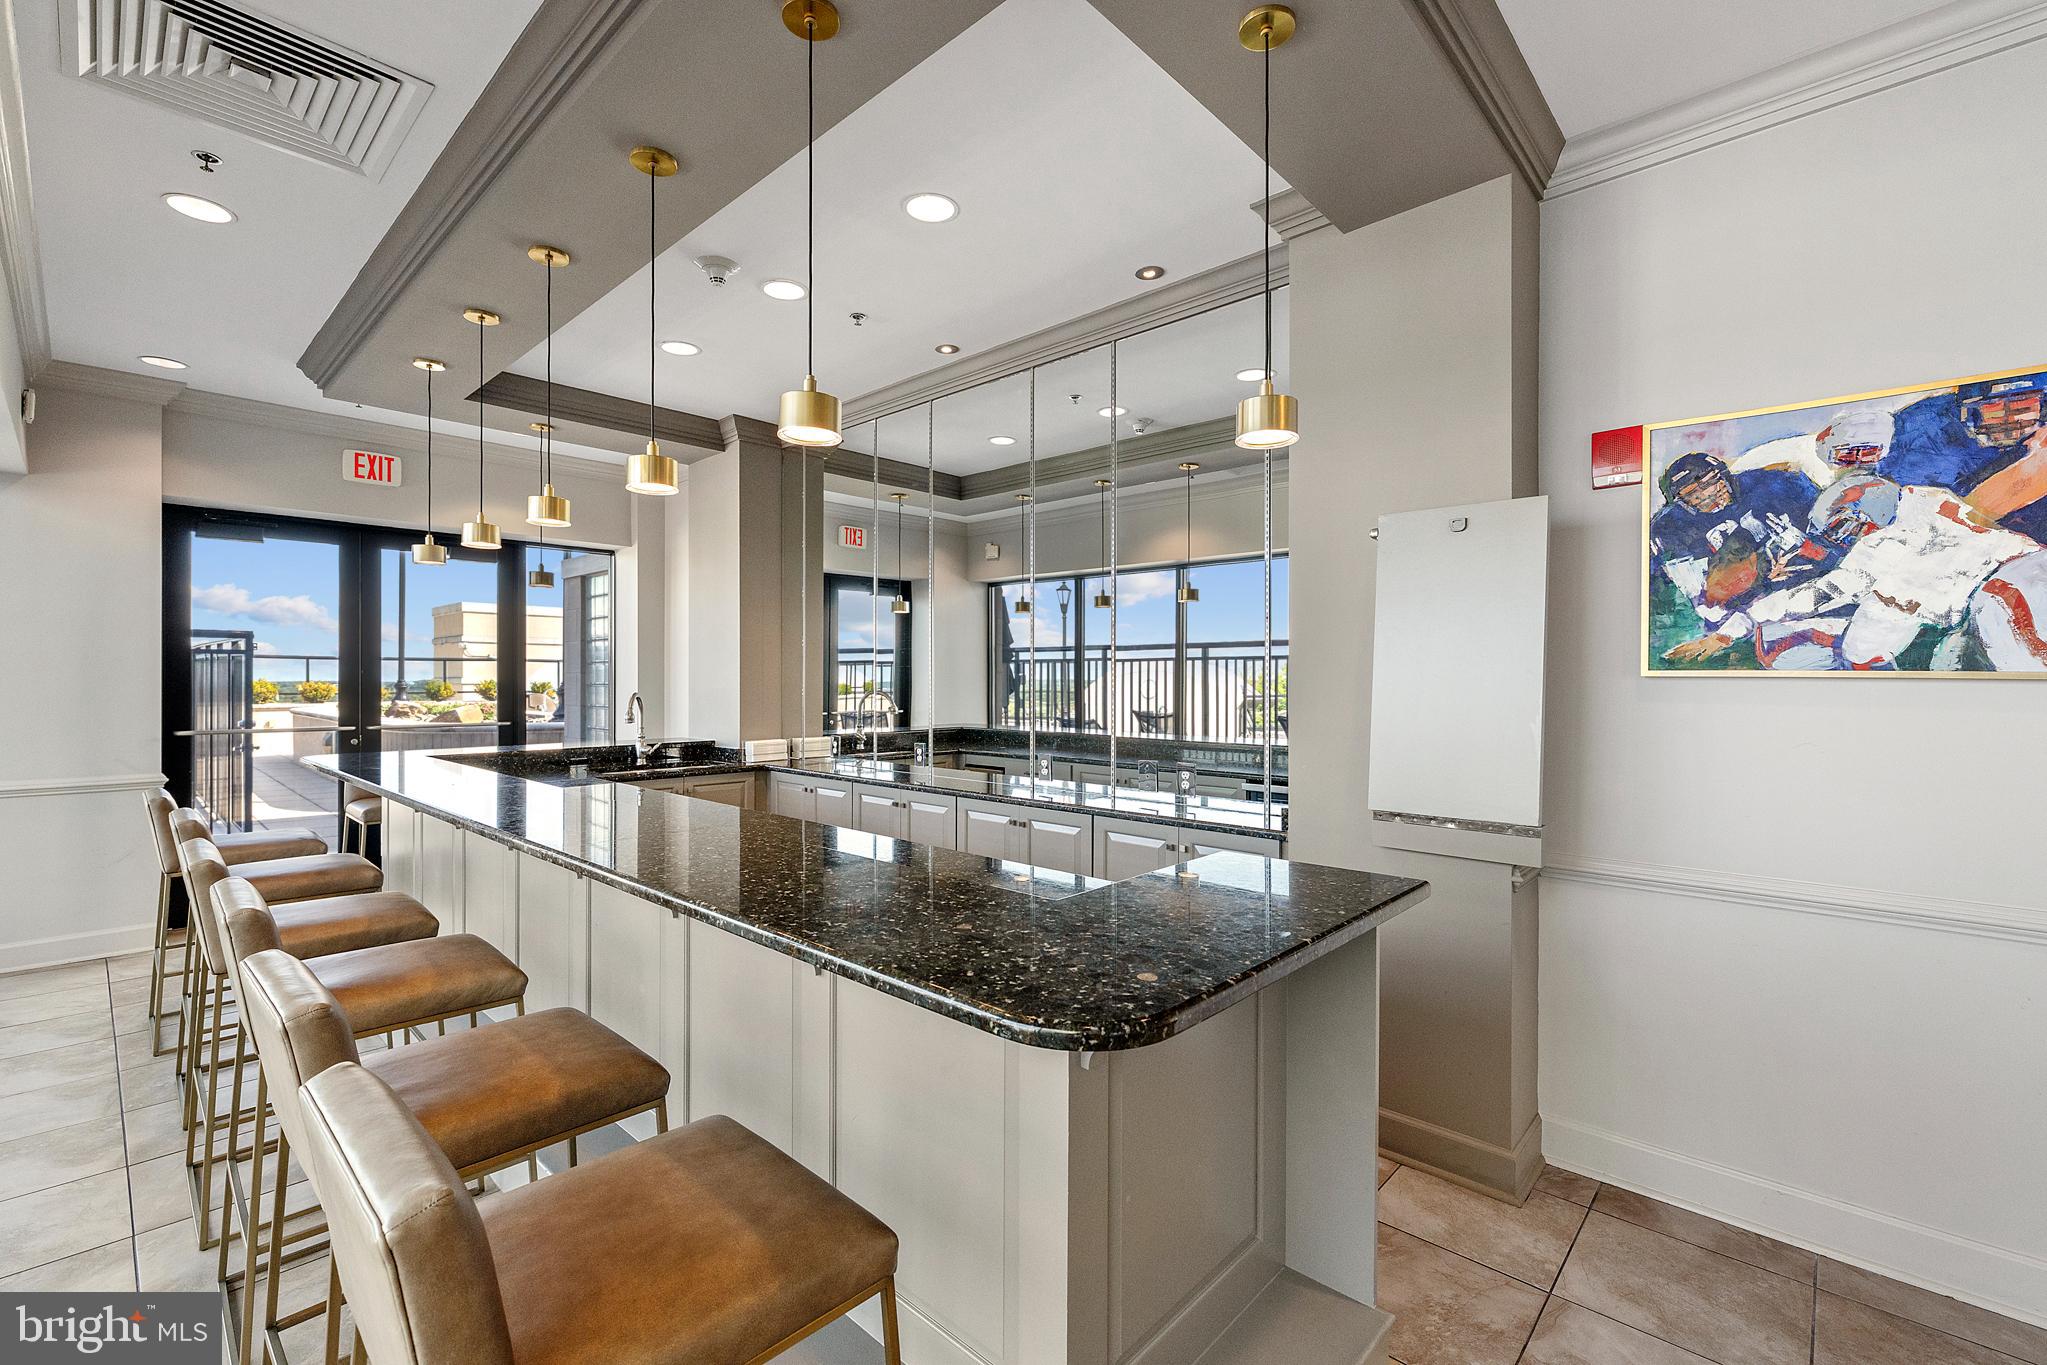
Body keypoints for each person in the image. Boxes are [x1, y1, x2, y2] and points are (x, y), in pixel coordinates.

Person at [1747, 473, 2040, 669]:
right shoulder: (1930, 503)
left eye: (1843, 528)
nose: (1843, 541)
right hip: (2032, 564)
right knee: (1949, 658)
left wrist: (1754, 614)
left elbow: (1829, 598)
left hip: (2005, 599)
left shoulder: (1884, 546)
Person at [1650, 452, 1828, 662]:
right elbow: (1708, 604)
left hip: (1809, 575)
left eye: (1710, 482)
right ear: (1681, 501)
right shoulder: (1670, 529)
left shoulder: (1772, 484)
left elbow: (1825, 518)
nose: (1707, 494)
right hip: (1755, 604)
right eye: (1692, 493)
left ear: (1724, 475)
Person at [1881, 374, 2047, 540]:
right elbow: (1925, 510)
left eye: (2022, 409)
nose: (2012, 419)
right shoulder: (1925, 431)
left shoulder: (2037, 436)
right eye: (1995, 408)